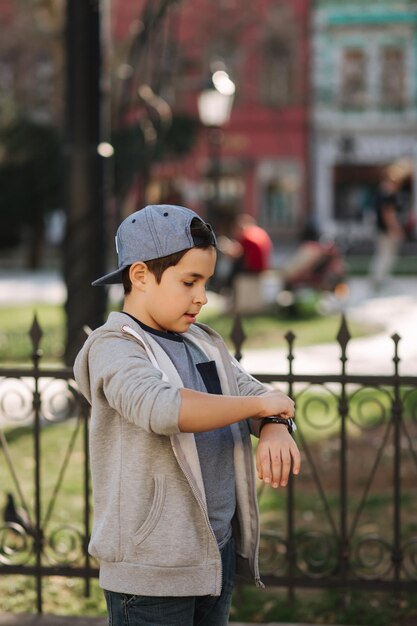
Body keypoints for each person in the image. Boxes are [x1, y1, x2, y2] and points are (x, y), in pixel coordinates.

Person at [74, 204, 300, 626]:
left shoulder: (200, 340)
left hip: (214, 555)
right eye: (189, 281)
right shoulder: (114, 347)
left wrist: (275, 426)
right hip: (151, 573)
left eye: (206, 282)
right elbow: (162, 408)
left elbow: (253, 394)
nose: (202, 296)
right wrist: (262, 407)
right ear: (140, 276)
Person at [369, 174, 404, 291]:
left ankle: (380, 278)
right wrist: (396, 229)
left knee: (383, 254)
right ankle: (379, 278)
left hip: (382, 229)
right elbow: (389, 215)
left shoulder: (380, 195)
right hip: (386, 231)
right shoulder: (387, 196)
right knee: (386, 255)